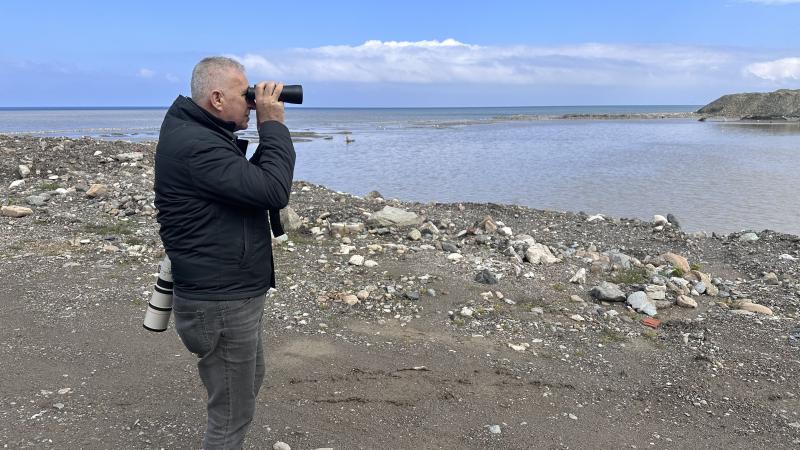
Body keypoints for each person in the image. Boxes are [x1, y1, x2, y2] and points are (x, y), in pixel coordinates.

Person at [154, 56, 295, 449]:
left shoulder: (200, 133)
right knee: (232, 414)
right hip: (219, 300)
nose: (252, 102)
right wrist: (273, 124)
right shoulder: (197, 145)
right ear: (217, 98)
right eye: (245, 94)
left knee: (248, 383)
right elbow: (273, 190)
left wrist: (263, 127)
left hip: (229, 293)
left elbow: (256, 184)